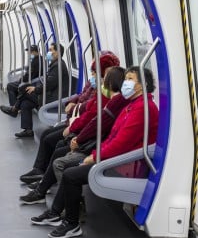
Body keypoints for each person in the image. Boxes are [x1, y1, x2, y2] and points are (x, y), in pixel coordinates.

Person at [30, 66, 159, 238]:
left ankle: (71, 223)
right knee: (70, 170)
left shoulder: (143, 109)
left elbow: (122, 143)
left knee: (71, 175)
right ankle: (55, 213)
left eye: (130, 79)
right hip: (116, 157)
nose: (125, 83)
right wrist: (96, 153)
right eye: (125, 78)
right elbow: (114, 137)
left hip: (126, 163)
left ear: (142, 86)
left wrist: (96, 157)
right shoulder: (133, 105)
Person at [19, 66, 128, 204]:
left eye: (102, 76)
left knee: (59, 154)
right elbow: (89, 112)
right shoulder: (102, 96)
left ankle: (47, 191)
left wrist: (78, 136)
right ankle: (42, 182)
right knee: (54, 142)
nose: (96, 78)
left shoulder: (111, 102)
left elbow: (95, 122)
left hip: (93, 141)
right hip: (87, 134)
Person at [0, 43, 69, 138]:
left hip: (53, 98)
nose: (49, 52)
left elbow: (49, 84)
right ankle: (28, 130)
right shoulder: (55, 64)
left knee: (24, 89)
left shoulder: (58, 66)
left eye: (51, 50)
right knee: (25, 103)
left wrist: (36, 89)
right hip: (49, 94)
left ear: (57, 52)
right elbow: (48, 82)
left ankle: (14, 109)